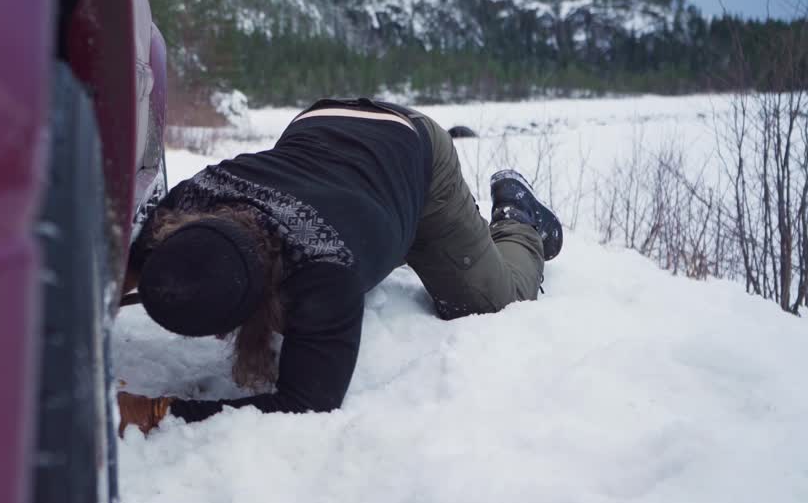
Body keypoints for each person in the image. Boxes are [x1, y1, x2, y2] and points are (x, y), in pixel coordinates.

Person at [117, 97, 563, 436]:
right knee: (370, 222)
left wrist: (155, 412)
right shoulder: (188, 203)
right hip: (319, 124)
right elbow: (120, 276)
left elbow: (306, 405)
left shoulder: (325, 269)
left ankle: (520, 218)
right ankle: (398, 229)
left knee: (489, 299)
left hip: (413, 149)